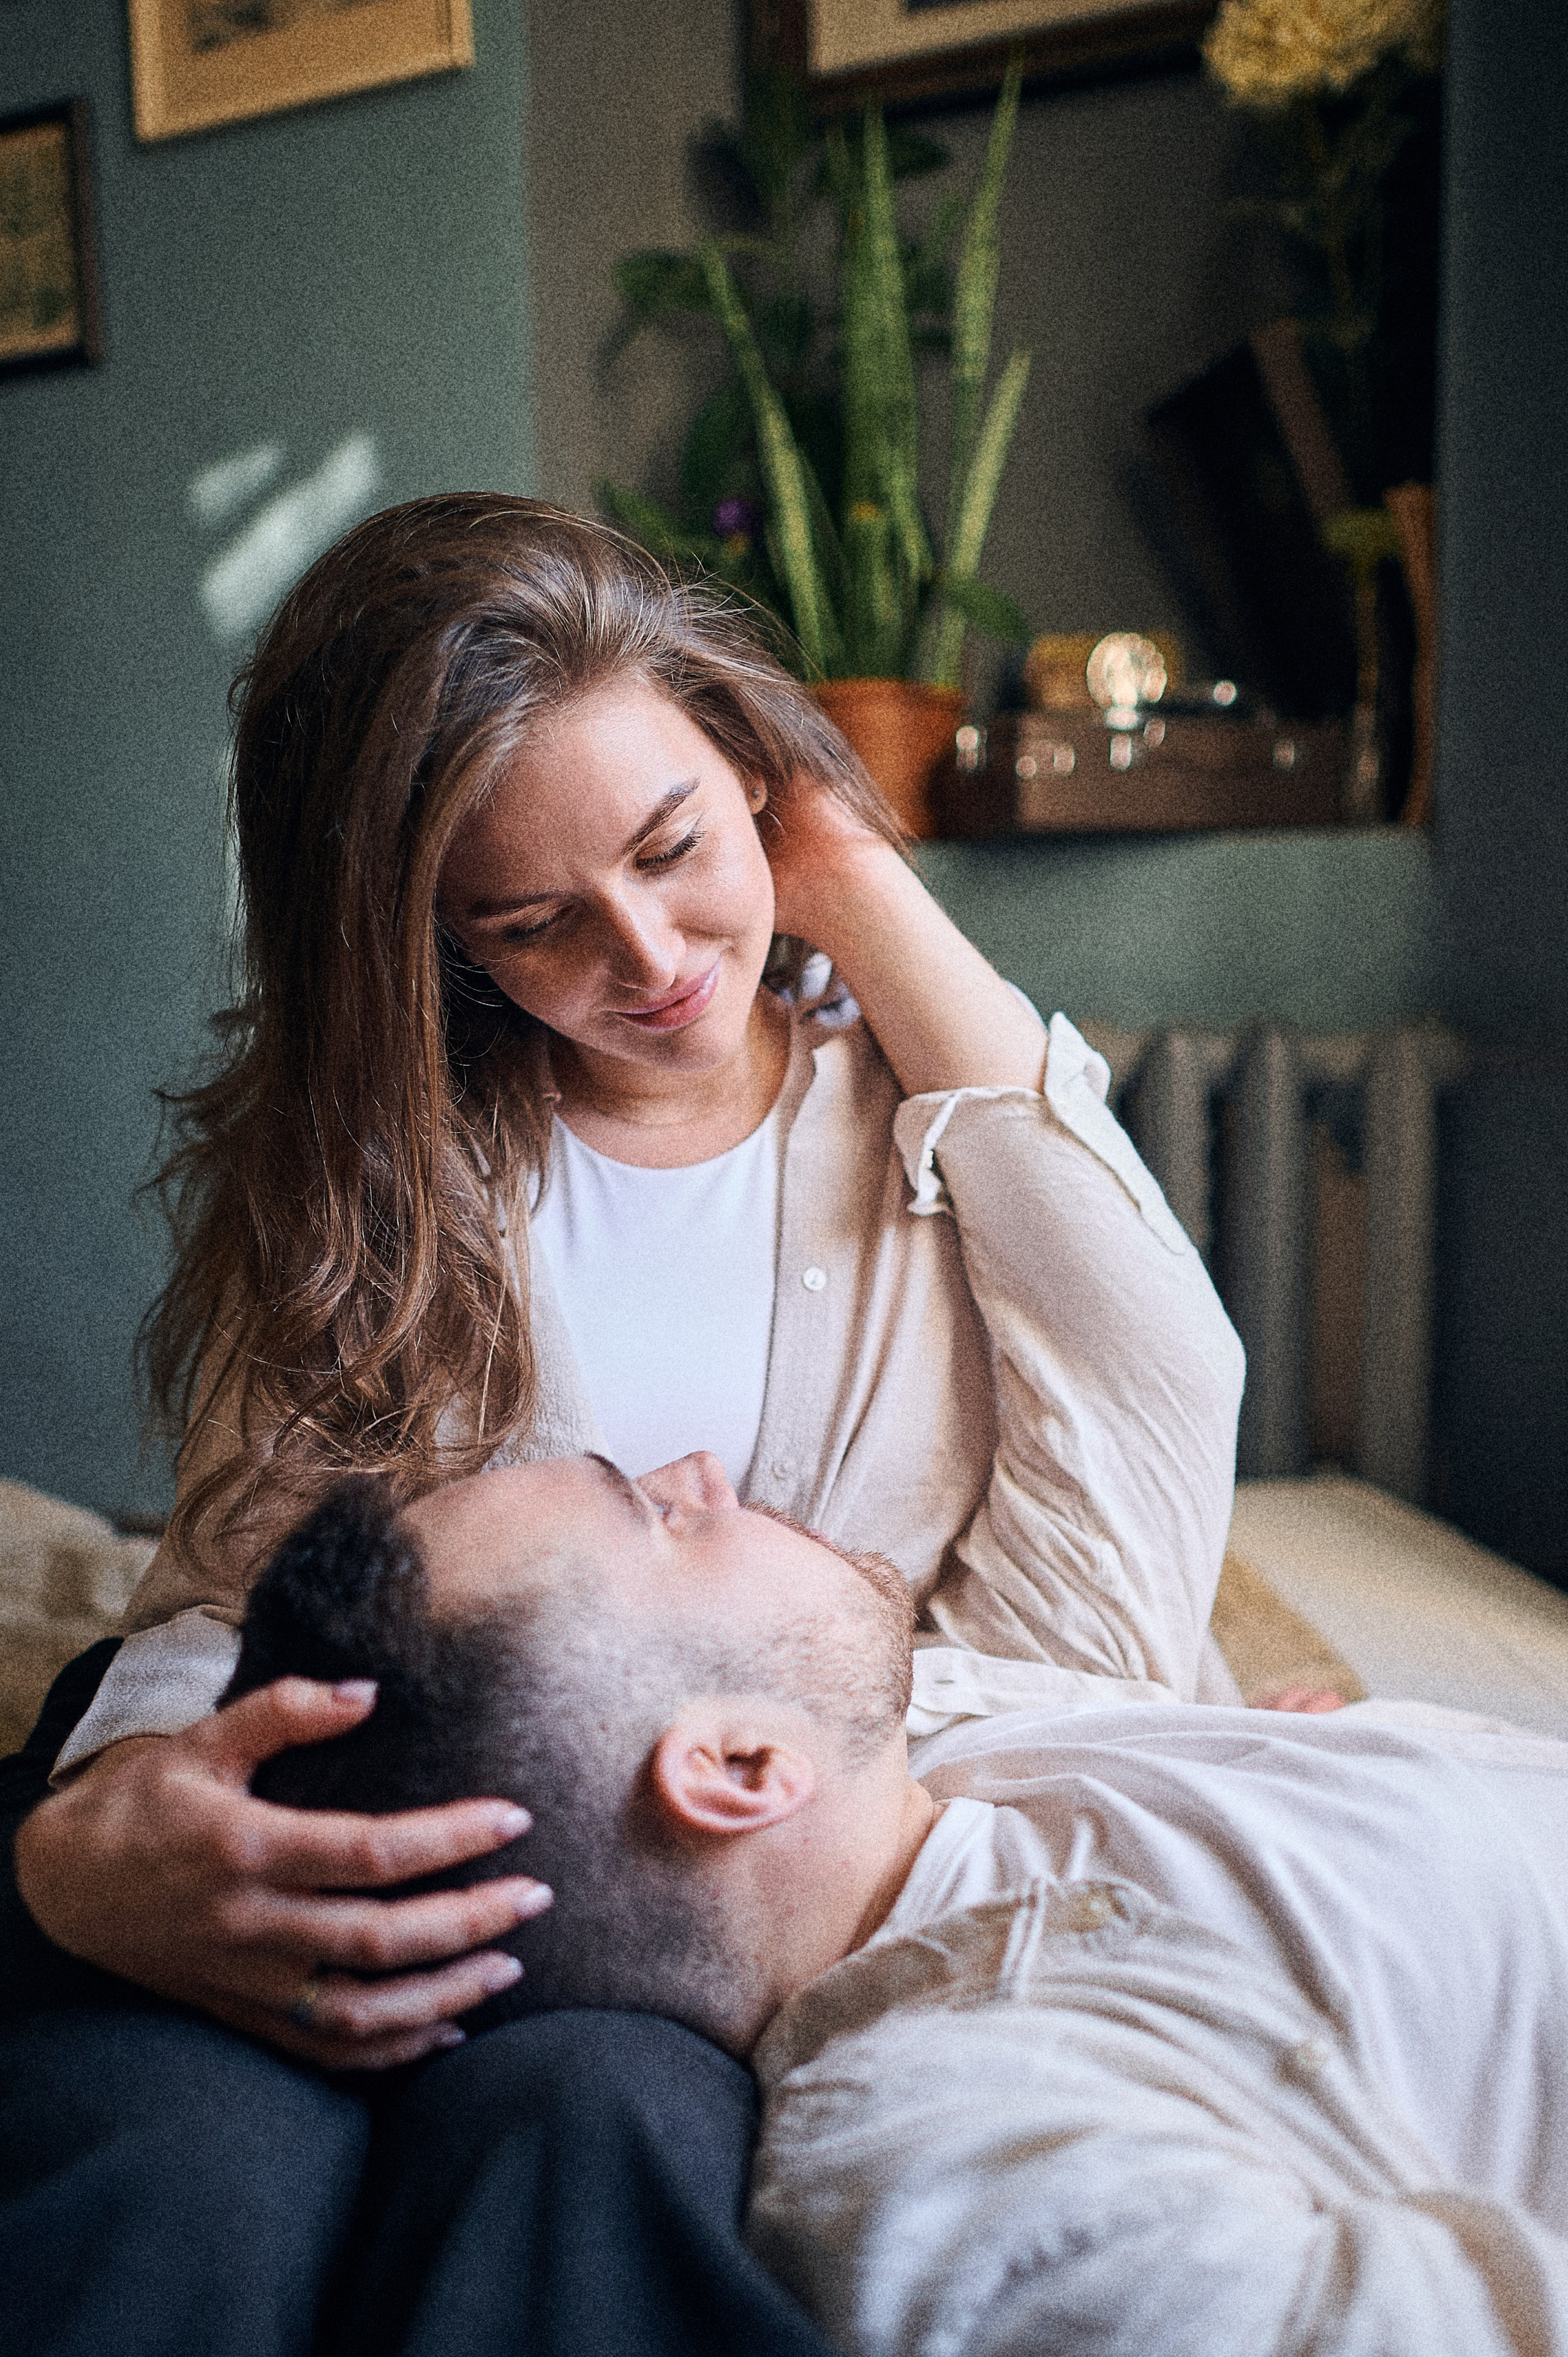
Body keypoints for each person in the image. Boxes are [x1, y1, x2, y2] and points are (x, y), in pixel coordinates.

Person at [4, 496, 1243, 2352]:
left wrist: (854, 876)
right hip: (362, 1848)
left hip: (676, 1934)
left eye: (676, 847)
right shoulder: (385, 1169)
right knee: (174, 2158)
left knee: (594, 2125)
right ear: (433, 944)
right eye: (531, 922)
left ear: (748, 769)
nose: (652, 954)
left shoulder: (924, 1136)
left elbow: (1142, 1469)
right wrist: (92, 1846)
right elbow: (236, 1600)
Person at [226, 1457, 1568, 2357]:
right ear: (741, 1768)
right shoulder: (978, 2147)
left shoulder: (939, 1759)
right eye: (661, 1518)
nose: (704, 1472)